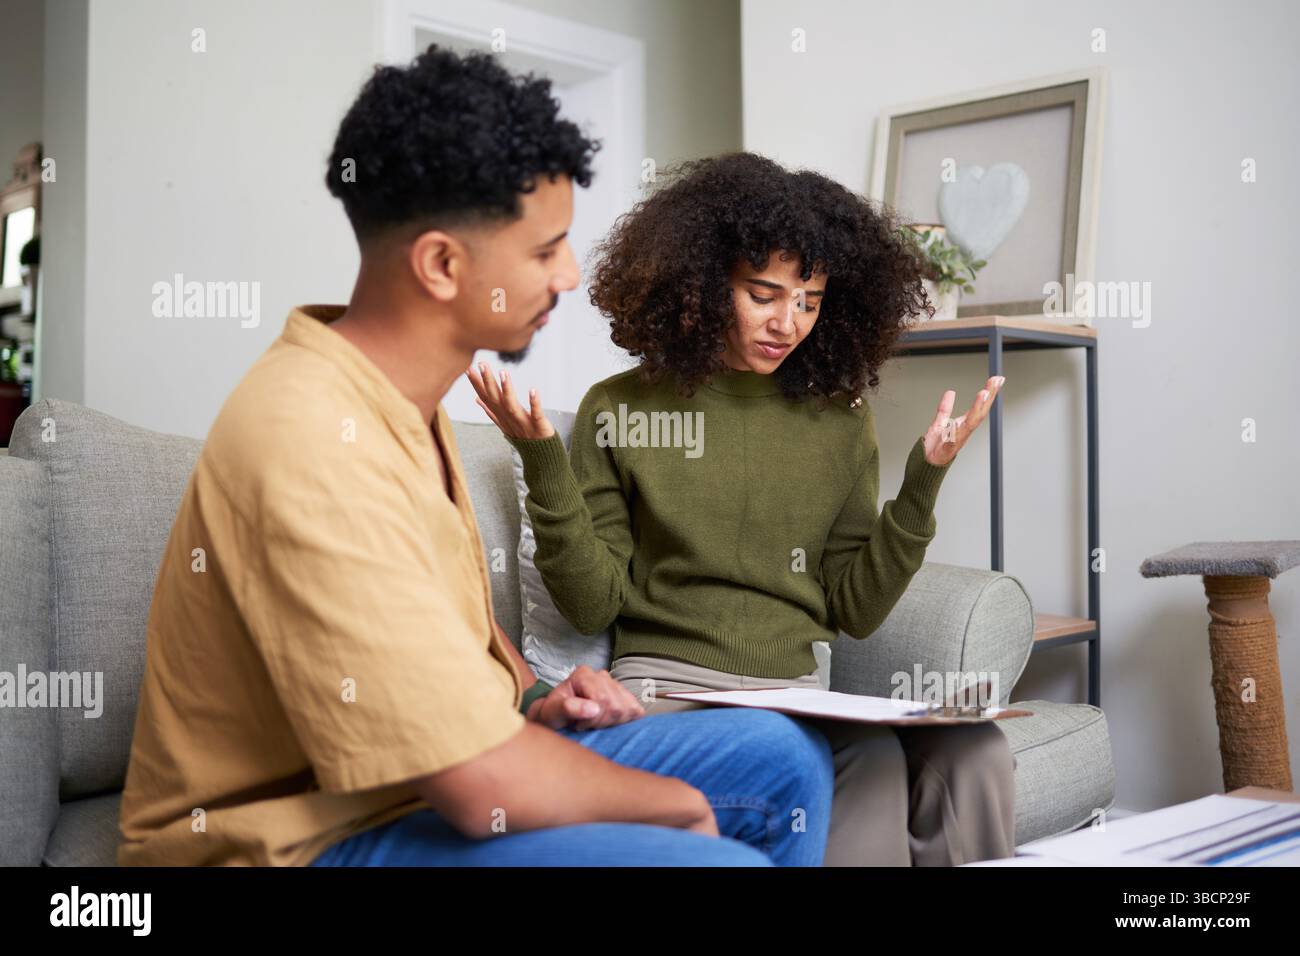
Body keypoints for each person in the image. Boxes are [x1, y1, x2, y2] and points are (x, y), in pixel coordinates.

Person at [117, 47, 835, 868]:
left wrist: (534, 694)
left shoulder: (400, 406)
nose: (569, 275)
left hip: (425, 780)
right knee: (715, 859)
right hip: (306, 840)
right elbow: (479, 787)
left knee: (779, 759)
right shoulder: (309, 437)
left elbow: (430, 633)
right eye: (544, 251)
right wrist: (671, 809)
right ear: (442, 264)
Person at [469, 152, 1016, 866]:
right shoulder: (623, 407)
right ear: (703, 282)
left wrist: (924, 480)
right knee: (872, 765)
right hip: (669, 690)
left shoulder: (840, 420)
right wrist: (543, 459)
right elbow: (590, 603)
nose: (789, 323)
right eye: (765, 293)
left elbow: (854, 607)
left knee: (971, 745)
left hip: (794, 693)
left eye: (811, 301)